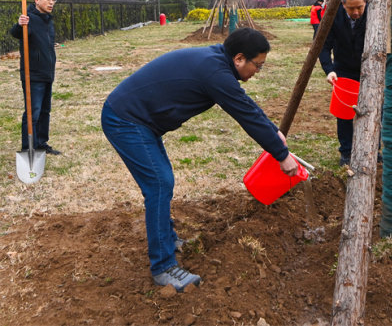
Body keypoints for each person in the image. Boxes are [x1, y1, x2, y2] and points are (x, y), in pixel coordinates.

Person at [101, 28, 299, 292]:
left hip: (139, 119)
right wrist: (281, 155)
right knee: (159, 183)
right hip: (125, 119)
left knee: (162, 181)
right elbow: (245, 115)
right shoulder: (215, 73)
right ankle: (163, 267)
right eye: (258, 66)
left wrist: (273, 131)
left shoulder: (217, 63)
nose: (257, 72)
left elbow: (246, 105)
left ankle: (168, 241)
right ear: (239, 58)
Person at [319, 0, 368, 166]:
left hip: (369, 67)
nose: (356, 12)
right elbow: (323, 46)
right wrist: (329, 69)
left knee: (374, 110)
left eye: (359, 8)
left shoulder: (373, 15)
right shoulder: (333, 16)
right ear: (343, 5)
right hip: (344, 69)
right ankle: (346, 151)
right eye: (351, 9)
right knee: (345, 111)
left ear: (366, 2)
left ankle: (374, 149)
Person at [10, 0, 61, 155]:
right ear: (37, 0)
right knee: (33, 112)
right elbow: (15, 33)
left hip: (47, 73)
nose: (51, 2)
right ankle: (28, 147)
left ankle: (41, 143)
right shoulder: (29, 18)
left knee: (45, 111)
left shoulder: (48, 20)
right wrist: (19, 24)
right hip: (33, 75)